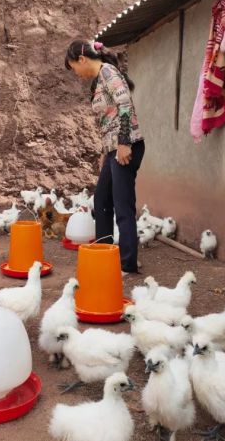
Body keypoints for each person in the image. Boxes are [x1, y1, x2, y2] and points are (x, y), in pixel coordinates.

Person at [64, 39, 145, 274]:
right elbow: (106, 121)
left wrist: (123, 143)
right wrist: (105, 153)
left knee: (122, 206)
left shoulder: (109, 72)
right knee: (101, 201)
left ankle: (128, 264)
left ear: (82, 59)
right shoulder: (99, 80)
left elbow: (125, 105)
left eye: (74, 67)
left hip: (126, 145)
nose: (76, 74)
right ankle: (104, 253)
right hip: (113, 149)